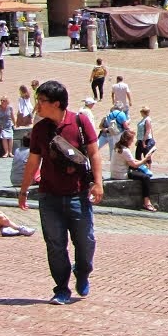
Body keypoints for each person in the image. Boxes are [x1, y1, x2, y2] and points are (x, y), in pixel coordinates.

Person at [17, 80, 102, 304]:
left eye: (42, 101)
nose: (38, 106)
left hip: (78, 194)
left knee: (86, 241)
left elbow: (94, 153)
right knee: (55, 244)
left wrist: (98, 182)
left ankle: (82, 272)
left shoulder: (79, 121)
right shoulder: (40, 129)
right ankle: (61, 288)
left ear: (56, 103)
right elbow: (33, 162)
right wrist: (24, 190)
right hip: (49, 196)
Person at [110, 128, 156, 212]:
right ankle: (146, 202)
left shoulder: (117, 147)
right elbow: (134, 165)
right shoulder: (125, 150)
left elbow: (131, 160)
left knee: (140, 170)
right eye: (131, 140)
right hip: (121, 174)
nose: (132, 142)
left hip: (115, 172)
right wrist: (145, 159)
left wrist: (141, 162)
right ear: (127, 140)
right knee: (145, 178)